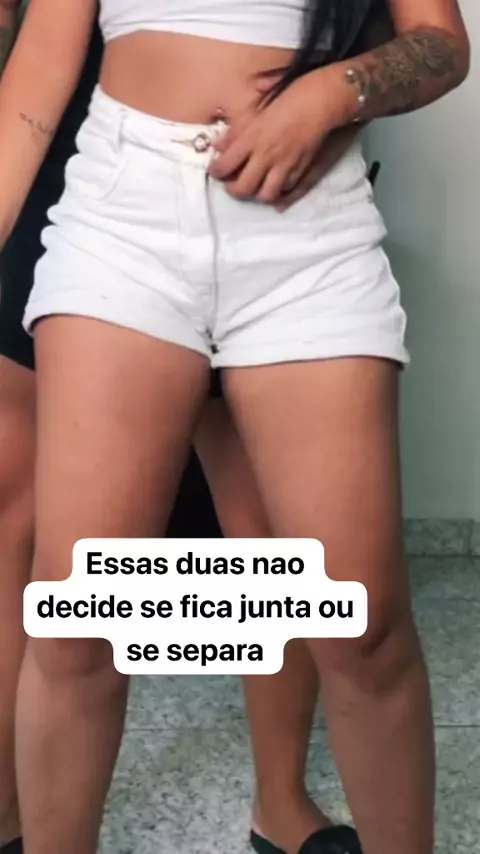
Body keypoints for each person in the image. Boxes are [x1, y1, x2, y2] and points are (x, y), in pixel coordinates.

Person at [0, 2, 469, 854]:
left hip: (308, 227)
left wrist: (334, 91)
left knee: (362, 626)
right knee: (75, 624)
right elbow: (35, 78)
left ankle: (287, 805)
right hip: (123, 217)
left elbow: (440, 45)